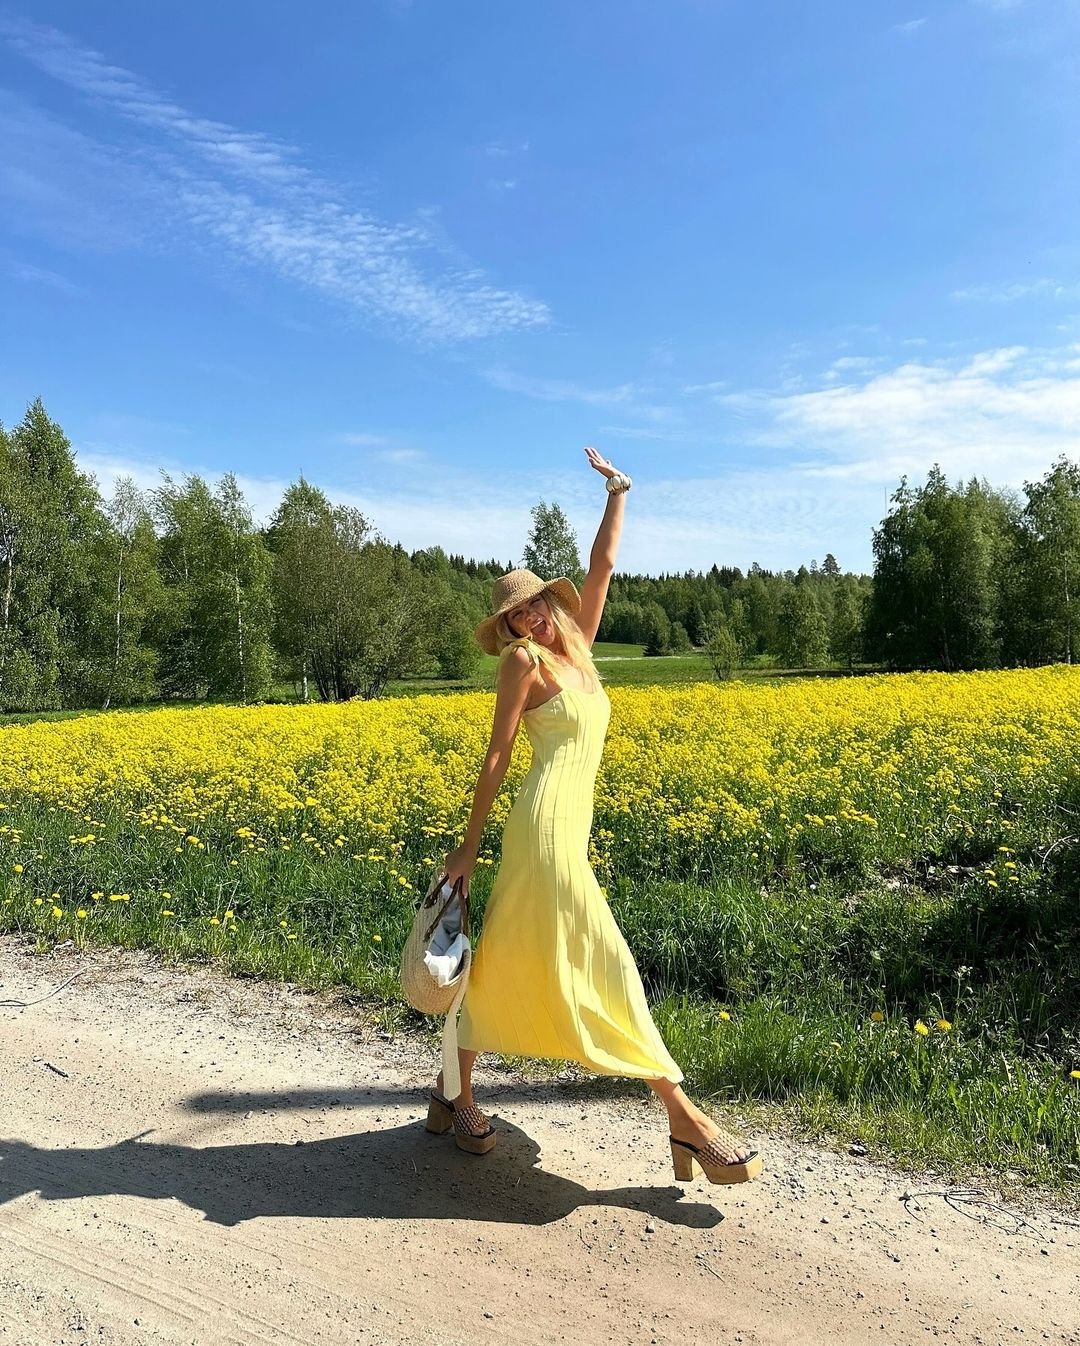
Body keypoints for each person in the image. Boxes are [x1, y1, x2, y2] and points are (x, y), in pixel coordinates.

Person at [426, 447, 762, 1186]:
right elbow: (498, 758)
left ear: (552, 602)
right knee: (607, 960)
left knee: (510, 957)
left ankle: (453, 1091)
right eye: (513, 614)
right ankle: (684, 1116)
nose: (526, 618)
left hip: (567, 833)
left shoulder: (578, 651)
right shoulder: (524, 666)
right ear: (507, 625)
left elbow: (603, 562)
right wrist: (466, 850)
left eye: (533, 604)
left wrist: (619, 489)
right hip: (541, 831)